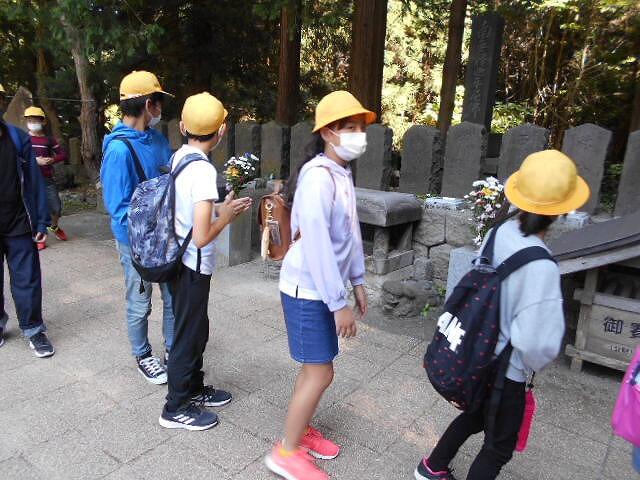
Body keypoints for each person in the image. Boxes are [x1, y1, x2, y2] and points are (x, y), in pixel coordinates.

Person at [414, 150, 590, 480]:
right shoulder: (541, 265)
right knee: (498, 447)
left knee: (476, 415)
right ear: (560, 210)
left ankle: (432, 467)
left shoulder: (500, 231)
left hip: (478, 354)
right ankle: (432, 468)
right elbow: (537, 344)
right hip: (507, 371)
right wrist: (532, 367)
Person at [264, 91, 374, 480]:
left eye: (360, 127)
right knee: (321, 372)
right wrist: (337, 302)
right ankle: (285, 453)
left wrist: (357, 280)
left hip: (320, 290)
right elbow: (317, 244)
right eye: (350, 127)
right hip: (307, 291)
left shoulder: (340, 173)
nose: (359, 134)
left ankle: (301, 429)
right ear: (327, 132)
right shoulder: (317, 178)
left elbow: (350, 234)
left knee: (315, 368)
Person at [158, 92, 252, 430]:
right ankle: (175, 407)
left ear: (183, 127)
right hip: (191, 265)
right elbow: (200, 236)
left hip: (178, 260)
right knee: (188, 335)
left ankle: (194, 387)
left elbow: (188, 212)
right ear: (222, 131)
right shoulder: (202, 171)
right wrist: (225, 216)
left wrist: (218, 208)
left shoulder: (180, 157)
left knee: (196, 329)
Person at [101, 71, 175, 385]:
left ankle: (173, 350)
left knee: (172, 296)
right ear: (148, 105)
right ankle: (143, 354)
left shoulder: (157, 139)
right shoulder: (118, 150)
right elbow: (118, 208)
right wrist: (138, 247)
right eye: (158, 102)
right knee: (140, 300)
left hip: (165, 235)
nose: (160, 109)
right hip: (137, 242)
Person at [0, 85, 55, 357]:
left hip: (19, 221)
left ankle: (33, 329)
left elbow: (34, 182)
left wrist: (42, 220)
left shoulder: (17, 138)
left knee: (28, 279)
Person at [24, 106, 69, 250]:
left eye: (35, 120)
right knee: (35, 209)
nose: (32, 123)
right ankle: (40, 235)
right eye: (30, 120)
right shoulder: (24, 139)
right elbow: (17, 157)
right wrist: (34, 161)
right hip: (30, 180)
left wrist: (52, 160)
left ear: (43, 121)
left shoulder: (49, 139)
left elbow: (63, 154)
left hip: (47, 179)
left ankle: (54, 226)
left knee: (56, 207)